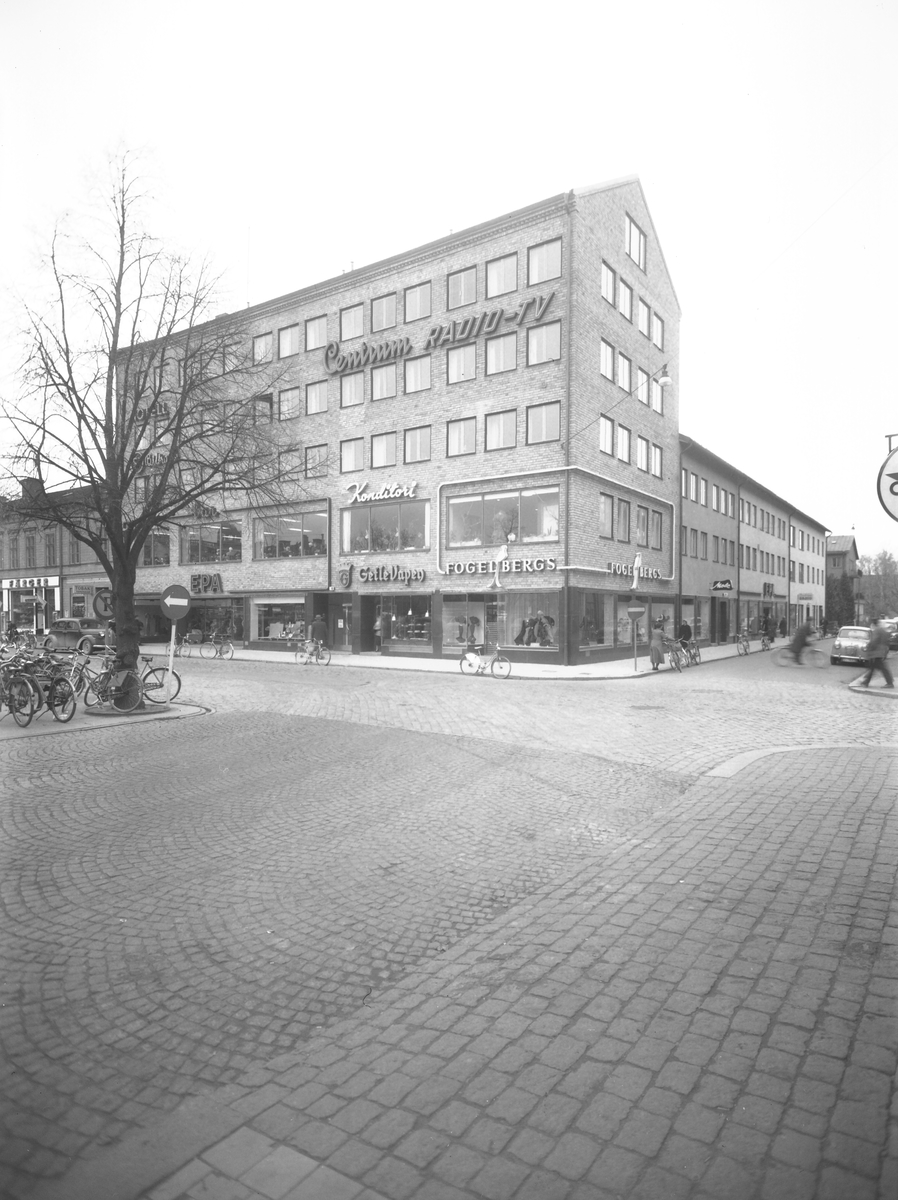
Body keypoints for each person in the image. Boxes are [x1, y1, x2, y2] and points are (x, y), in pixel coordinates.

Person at [858, 618, 894, 689]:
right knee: (874, 667)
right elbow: (887, 641)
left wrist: (869, 648)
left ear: (874, 624)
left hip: (876, 653)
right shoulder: (882, 630)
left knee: (879, 668)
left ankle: (889, 682)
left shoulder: (877, 630)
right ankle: (866, 682)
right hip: (881, 652)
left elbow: (874, 641)